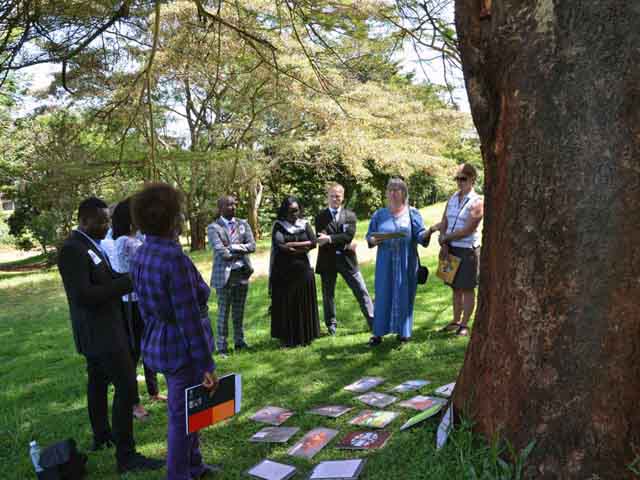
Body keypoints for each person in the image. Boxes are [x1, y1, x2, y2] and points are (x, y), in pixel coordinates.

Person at [57, 197, 164, 474]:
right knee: (127, 386)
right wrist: (126, 283)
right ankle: (127, 457)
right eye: (101, 220)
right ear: (84, 220)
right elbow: (83, 295)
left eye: (107, 220)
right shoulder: (72, 249)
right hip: (100, 332)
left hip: (106, 328)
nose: (107, 225)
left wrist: (130, 275)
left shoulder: (92, 245)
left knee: (97, 382)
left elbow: (107, 276)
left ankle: (103, 435)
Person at [130, 183, 221, 480]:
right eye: (179, 214)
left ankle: (194, 465)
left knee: (190, 410)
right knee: (182, 418)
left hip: (161, 342)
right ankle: (179, 475)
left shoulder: (142, 254)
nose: (183, 219)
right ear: (170, 220)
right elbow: (188, 318)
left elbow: (143, 307)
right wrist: (206, 364)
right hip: (182, 349)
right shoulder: (174, 260)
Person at [111, 199, 166, 421]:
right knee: (134, 353)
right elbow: (154, 259)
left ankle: (153, 391)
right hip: (132, 303)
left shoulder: (131, 239)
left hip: (135, 301)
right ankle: (134, 403)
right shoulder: (128, 242)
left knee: (147, 346)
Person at [366, 178, 435, 346]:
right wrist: (374, 240)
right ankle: (378, 334)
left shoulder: (412, 213)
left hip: (406, 263)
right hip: (385, 263)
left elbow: (420, 235)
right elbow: (370, 236)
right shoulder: (379, 214)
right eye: (390, 189)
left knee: (405, 296)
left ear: (404, 193)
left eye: (397, 189)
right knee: (383, 295)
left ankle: (404, 333)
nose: (393, 192)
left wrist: (430, 231)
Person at [315, 183, 374, 334]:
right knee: (328, 295)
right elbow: (321, 238)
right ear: (327, 197)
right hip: (327, 261)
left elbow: (348, 235)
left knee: (361, 290)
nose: (335, 199)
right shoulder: (320, 217)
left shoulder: (350, 216)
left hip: (348, 261)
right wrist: (343, 244)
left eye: (338, 196)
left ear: (342, 198)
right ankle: (331, 325)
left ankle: (373, 321)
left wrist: (330, 239)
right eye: (332, 196)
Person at [438, 164, 484, 337]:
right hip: (450, 249)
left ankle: (464, 324)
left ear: (472, 179)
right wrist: (443, 243)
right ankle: (455, 321)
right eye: (457, 178)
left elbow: (468, 229)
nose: (459, 182)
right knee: (454, 287)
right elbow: (444, 222)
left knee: (467, 288)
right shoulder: (452, 198)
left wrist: (446, 238)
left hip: (467, 251)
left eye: (463, 178)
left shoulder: (477, 202)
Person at [207, 195, 256, 356]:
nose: (233, 207)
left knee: (239, 310)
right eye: (229, 205)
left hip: (242, 272)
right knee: (223, 312)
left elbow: (252, 246)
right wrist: (240, 250)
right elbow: (222, 252)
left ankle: (239, 342)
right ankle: (221, 346)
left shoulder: (243, 224)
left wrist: (233, 247)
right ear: (220, 208)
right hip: (224, 276)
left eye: (234, 204)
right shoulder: (214, 228)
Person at [269, 196, 321, 347]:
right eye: (291, 211)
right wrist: (300, 246)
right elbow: (280, 244)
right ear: (284, 211)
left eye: (297, 211)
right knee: (287, 304)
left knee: (303, 302)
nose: (294, 214)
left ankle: (306, 336)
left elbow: (313, 243)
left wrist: (293, 244)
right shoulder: (279, 225)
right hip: (284, 273)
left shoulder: (304, 224)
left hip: (303, 270)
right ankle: (287, 338)